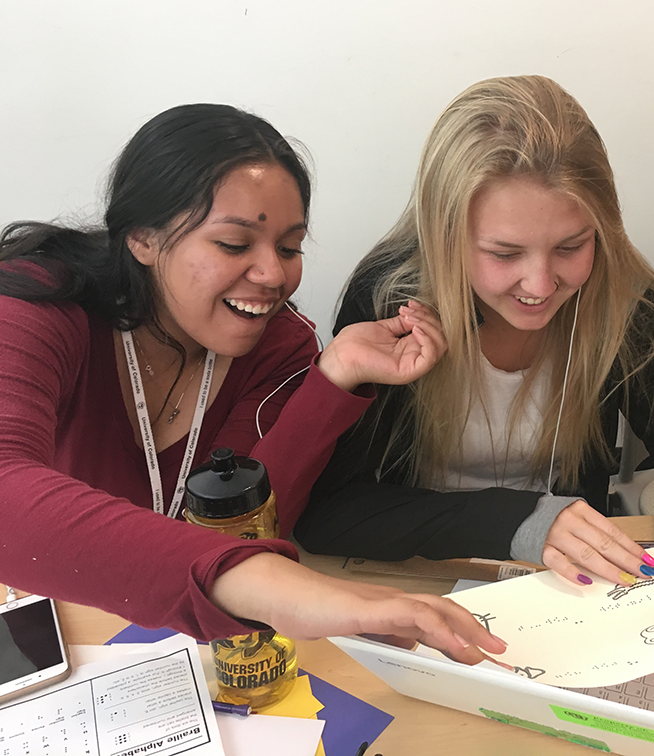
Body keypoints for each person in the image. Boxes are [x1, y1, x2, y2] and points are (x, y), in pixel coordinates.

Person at [0, 103, 504, 665]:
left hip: (207, 642)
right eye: (235, 245)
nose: (273, 276)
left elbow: (255, 527)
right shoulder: (38, 307)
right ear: (142, 238)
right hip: (78, 629)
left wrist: (333, 380)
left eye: (290, 248)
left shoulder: (281, 344)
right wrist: (286, 589)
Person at [296, 75, 654, 587]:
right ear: (445, 237)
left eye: (571, 246)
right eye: (504, 254)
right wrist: (515, 520)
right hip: (422, 567)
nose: (540, 285)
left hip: (565, 582)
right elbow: (328, 513)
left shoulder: (626, 304)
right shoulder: (386, 300)